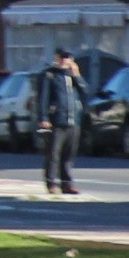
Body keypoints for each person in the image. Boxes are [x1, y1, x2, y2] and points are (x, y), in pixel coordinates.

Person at [33, 50, 85, 194]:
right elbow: (43, 98)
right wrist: (43, 117)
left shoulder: (71, 76)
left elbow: (84, 92)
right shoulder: (49, 75)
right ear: (56, 58)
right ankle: (51, 183)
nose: (64, 60)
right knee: (54, 153)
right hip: (56, 120)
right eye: (61, 57)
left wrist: (77, 76)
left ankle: (67, 183)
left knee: (69, 154)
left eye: (67, 58)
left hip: (73, 120)